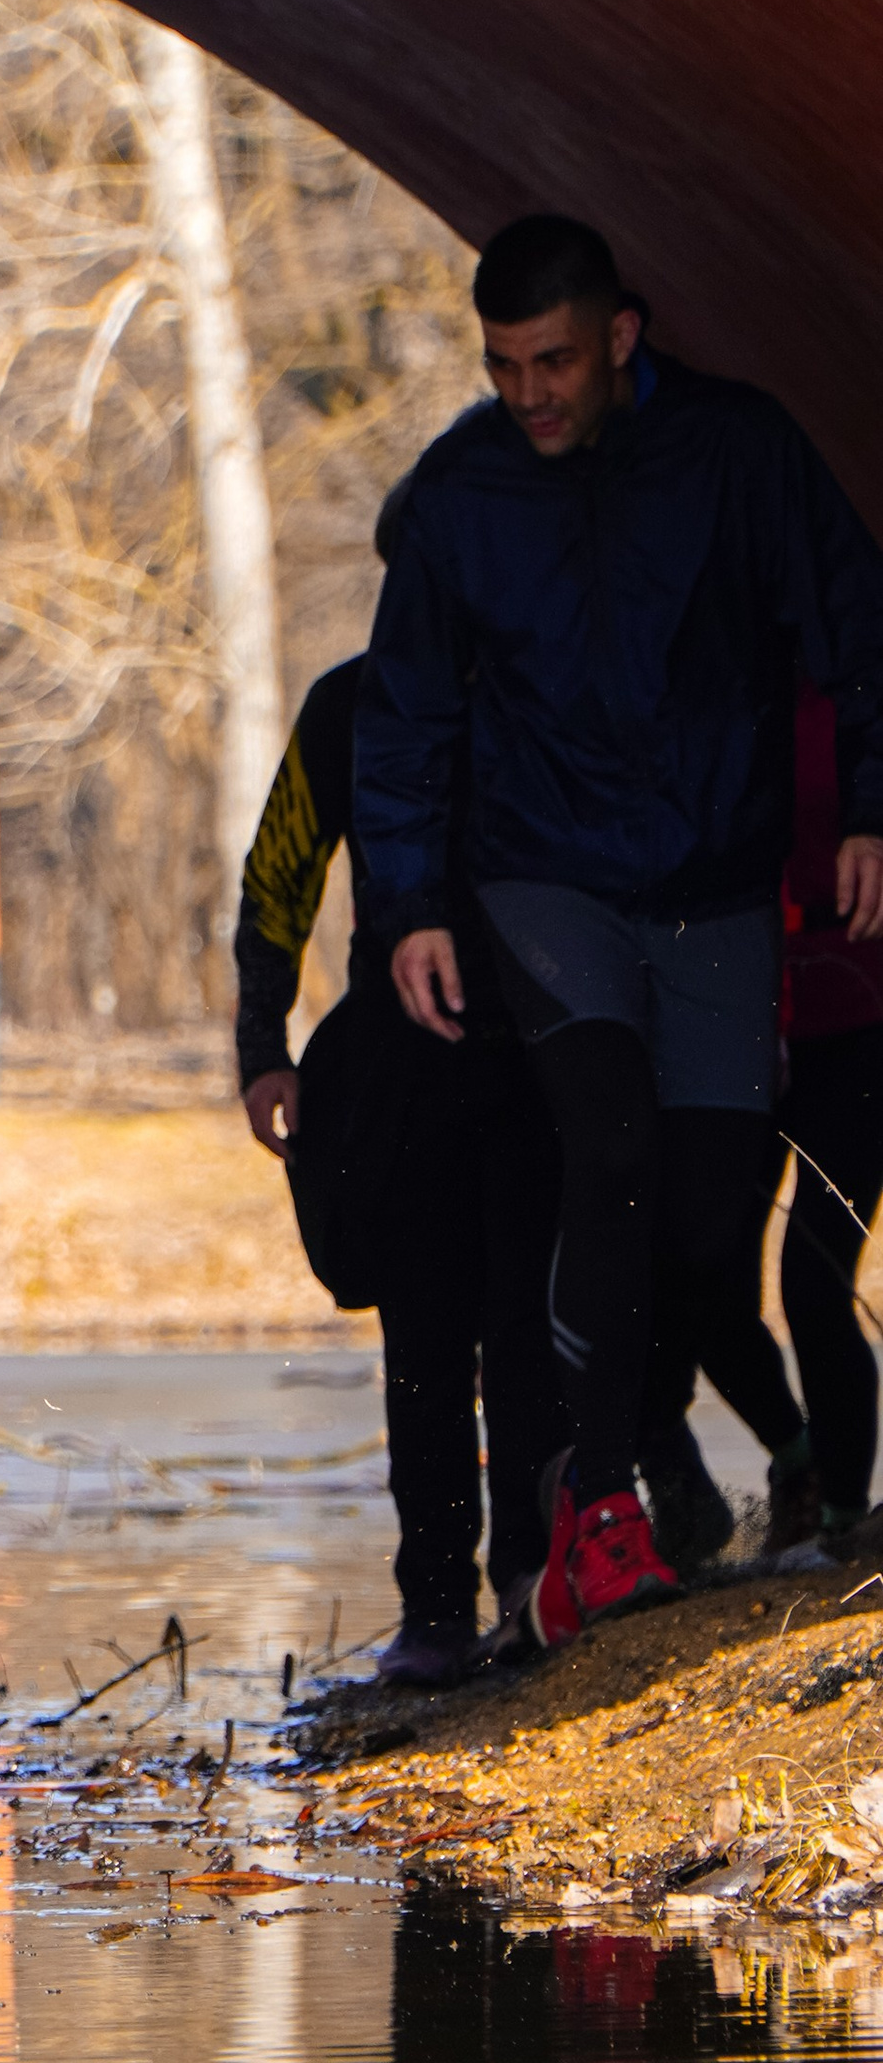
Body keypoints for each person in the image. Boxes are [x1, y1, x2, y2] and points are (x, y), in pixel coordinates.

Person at [359, 214, 883, 1646]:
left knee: (713, 1217)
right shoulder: (468, 490)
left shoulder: (738, 452)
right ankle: (594, 1503)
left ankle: (620, 1447)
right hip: (543, 877)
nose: (530, 393)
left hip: (712, 878)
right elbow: (400, 716)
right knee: (611, 1137)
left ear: (621, 339)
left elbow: (855, 616)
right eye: (504, 365)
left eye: (554, 362)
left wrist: (868, 811)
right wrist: (406, 903)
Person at [236, 489, 565, 1687]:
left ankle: (535, 1578)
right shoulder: (344, 707)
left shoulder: (540, 692)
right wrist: (261, 1045)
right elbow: (277, 877)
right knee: (423, 1343)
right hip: (400, 1080)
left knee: (532, 1333)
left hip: (538, 1060)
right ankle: (432, 1605)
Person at [777, 683, 883, 1544]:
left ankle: (845, 1511)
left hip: (862, 1006)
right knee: (694, 1267)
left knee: (813, 1274)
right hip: (746, 1004)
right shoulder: (728, 664)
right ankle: (799, 1455)